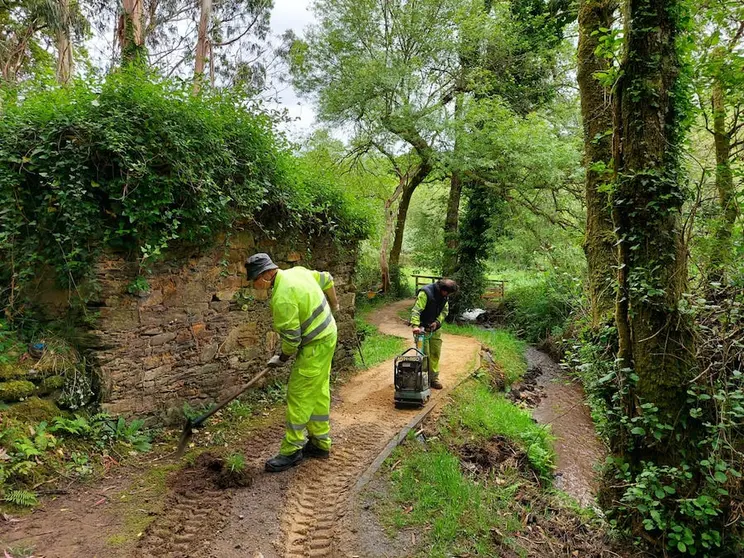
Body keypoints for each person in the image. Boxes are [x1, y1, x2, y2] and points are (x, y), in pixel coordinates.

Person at [245, 253, 340, 472]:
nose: (255, 285)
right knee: (318, 390)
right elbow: (327, 278)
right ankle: (320, 443)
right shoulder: (298, 272)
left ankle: (292, 451)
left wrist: (283, 357)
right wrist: (334, 304)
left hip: (315, 345)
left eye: (255, 279)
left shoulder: (282, 298)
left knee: (299, 394)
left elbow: (292, 338)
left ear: (267, 274)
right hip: (328, 336)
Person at [410, 278, 458, 390]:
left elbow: (444, 311)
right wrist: (415, 325)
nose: (448, 295)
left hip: (435, 329)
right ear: (443, 290)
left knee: (435, 354)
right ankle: (424, 379)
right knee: (424, 355)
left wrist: (437, 322)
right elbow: (416, 310)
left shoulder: (445, 296)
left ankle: (434, 379)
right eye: (448, 292)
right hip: (422, 330)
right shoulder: (425, 293)